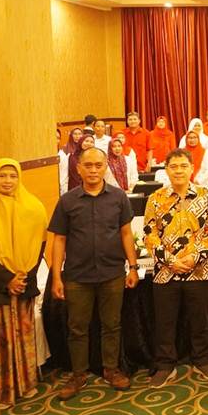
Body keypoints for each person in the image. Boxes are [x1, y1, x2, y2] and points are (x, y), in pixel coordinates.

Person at [49, 147, 139, 400]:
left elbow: (125, 234)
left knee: (112, 324)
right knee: (77, 328)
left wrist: (132, 267)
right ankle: (79, 374)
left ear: (105, 167)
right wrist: (57, 276)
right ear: (78, 168)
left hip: (113, 273)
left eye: (98, 165)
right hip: (77, 276)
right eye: (88, 165)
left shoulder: (119, 197)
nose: (93, 170)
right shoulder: (67, 201)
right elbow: (59, 240)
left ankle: (111, 369)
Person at [143, 148, 208, 387]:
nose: (178, 170)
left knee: (200, 318)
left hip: (199, 271)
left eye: (183, 166)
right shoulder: (155, 198)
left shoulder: (205, 196)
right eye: (173, 166)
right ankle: (166, 364)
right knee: (165, 321)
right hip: (166, 273)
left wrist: (192, 259)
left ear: (191, 168)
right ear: (166, 170)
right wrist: (170, 260)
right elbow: (149, 234)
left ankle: (202, 358)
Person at [0, 159, 48, 410]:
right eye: (2, 176)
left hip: (23, 282)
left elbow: (39, 244)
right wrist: (6, 279)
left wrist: (22, 277)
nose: (8, 181)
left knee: (22, 334)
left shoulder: (32, 206)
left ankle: (23, 383)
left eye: (13, 175)